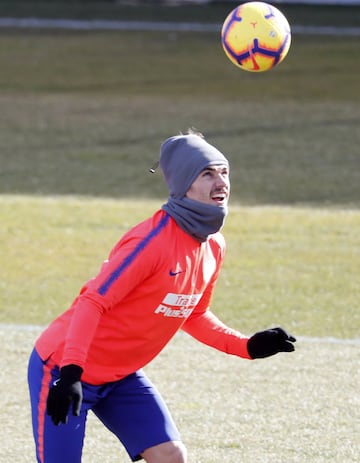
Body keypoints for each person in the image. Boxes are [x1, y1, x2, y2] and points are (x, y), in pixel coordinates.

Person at [28, 129, 296, 463]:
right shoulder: (150, 243)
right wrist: (70, 373)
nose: (221, 182)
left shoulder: (213, 245)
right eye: (208, 173)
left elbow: (194, 314)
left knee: (171, 456)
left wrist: (246, 347)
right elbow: (92, 302)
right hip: (63, 368)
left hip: (120, 375)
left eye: (225, 172)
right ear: (185, 183)